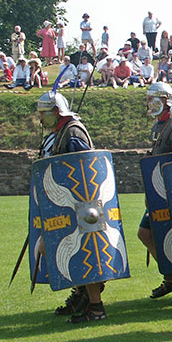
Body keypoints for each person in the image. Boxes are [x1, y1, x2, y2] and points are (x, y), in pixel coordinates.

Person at [36, 91, 106, 323]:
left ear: (57, 111)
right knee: (54, 248)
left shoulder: (73, 132)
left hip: (81, 205)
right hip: (67, 205)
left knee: (83, 251)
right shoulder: (61, 132)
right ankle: (81, 294)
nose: (41, 119)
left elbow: (82, 168)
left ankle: (95, 306)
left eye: (45, 113)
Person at [137, 83, 172, 298]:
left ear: (164, 100)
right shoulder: (158, 126)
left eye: (150, 98)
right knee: (145, 233)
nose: (147, 103)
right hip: (159, 193)